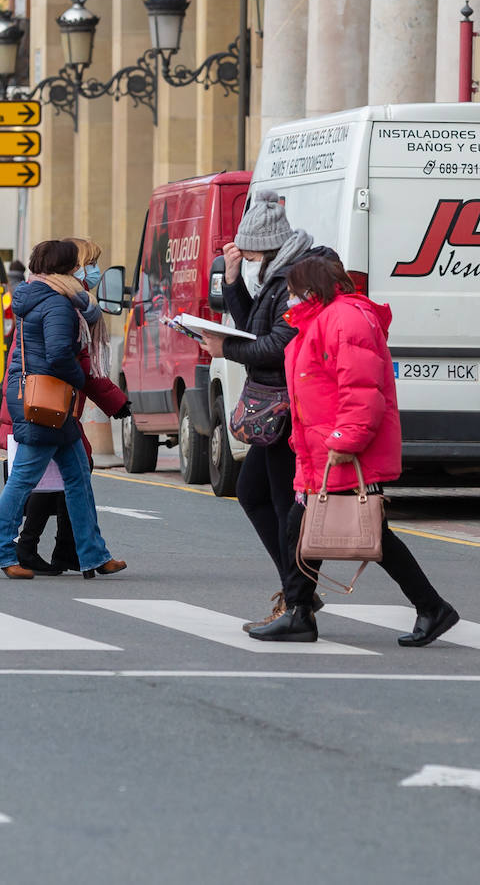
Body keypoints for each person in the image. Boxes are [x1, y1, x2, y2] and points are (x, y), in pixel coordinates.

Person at [247, 256, 460, 645]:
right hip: (323, 450)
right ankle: (304, 612)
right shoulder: (324, 317)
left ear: (311, 287)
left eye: (294, 290)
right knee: (322, 529)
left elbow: (362, 389)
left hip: (340, 450)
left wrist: (346, 440)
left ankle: (303, 613)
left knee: (330, 530)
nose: (291, 298)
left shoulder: (345, 318)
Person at [199, 190, 338, 629]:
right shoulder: (274, 276)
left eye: (252, 251)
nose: (250, 257)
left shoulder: (295, 280)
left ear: (273, 244)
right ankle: (298, 594)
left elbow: (279, 347)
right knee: (253, 493)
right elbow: (249, 324)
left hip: (289, 408)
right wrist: (235, 276)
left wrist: (227, 349)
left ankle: (298, 604)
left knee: (282, 505)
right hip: (274, 407)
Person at [0, 239, 125, 580]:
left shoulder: (40, 297)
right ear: (68, 269)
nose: (85, 272)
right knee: (23, 482)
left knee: (78, 479)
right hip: (47, 403)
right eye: (80, 267)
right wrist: (78, 381)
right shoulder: (59, 305)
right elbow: (61, 354)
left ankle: (93, 555)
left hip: (42, 400)